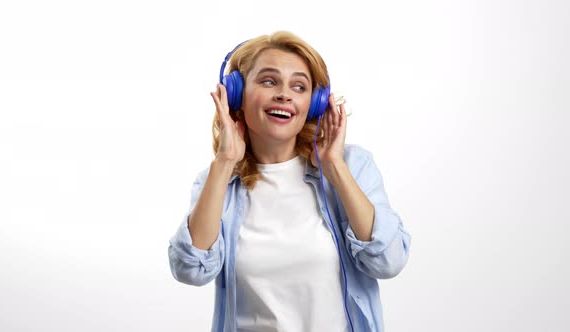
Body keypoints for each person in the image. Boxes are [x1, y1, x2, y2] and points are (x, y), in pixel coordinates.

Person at [168, 30, 411, 332]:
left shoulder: (352, 165)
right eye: (269, 81)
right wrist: (225, 161)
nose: (285, 94)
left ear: (315, 103)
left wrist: (334, 167)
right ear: (236, 94)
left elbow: (388, 261)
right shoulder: (218, 183)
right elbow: (191, 270)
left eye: (299, 86)